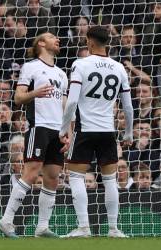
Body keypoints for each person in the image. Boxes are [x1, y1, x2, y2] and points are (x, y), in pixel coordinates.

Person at [59, 26, 134, 238]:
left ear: (89, 41)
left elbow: (72, 100)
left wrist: (64, 129)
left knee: (75, 177)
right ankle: (113, 228)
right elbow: (128, 106)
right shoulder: (119, 67)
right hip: (108, 131)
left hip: (85, 129)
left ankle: (84, 227)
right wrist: (128, 133)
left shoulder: (80, 64)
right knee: (110, 180)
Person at [0, 32, 68, 238]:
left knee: (53, 177)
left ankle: (42, 227)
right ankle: (7, 220)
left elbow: (65, 105)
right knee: (32, 171)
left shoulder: (62, 74)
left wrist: (68, 132)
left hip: (57, 130)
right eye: (52, 37)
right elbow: (18, 98)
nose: (58, 39)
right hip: (39, 126)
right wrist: (35, 93)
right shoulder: (30, 67)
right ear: (41, 43)